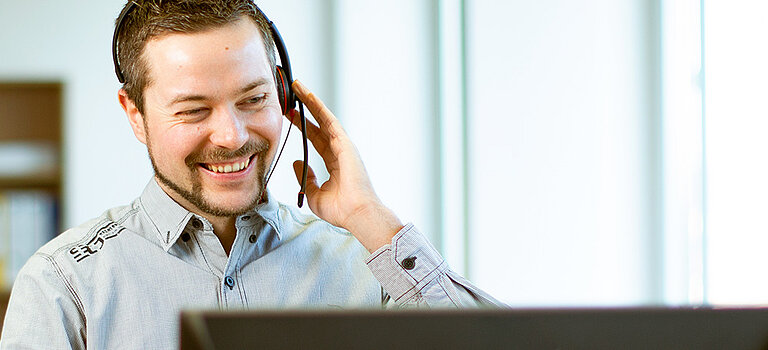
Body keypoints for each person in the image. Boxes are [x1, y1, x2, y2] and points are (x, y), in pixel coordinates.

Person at [0, 1, 503, 348]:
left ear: (285, 95)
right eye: (194, 110)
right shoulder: (63, 285)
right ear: (135, 114)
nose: (232, 135)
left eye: (254, 98)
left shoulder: (367, 262)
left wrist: (370, 218)